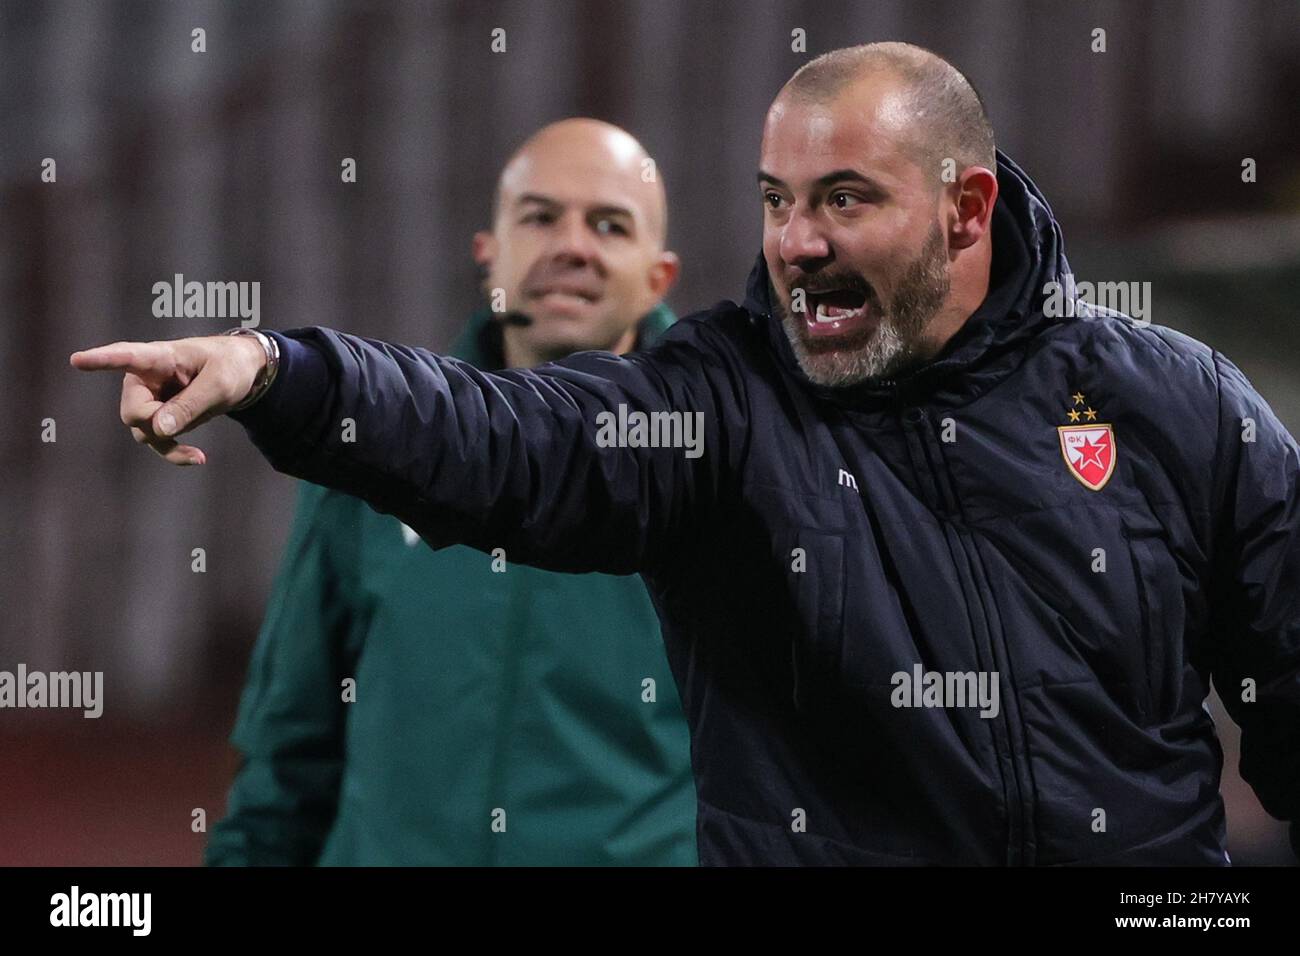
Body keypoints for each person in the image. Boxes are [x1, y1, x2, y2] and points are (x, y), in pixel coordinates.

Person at [73, 42, 1300, 866]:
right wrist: (280, 373)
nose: (795, 242)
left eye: (843, 199)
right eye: (775, 199)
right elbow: (513, 436)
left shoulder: (1180, 404)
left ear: (965, 209)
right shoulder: (722, 403)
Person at [200, 119, 695, 866]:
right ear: (487, 255)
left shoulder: (722, 463)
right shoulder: (372, 447)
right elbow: (289, 747)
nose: (572, 244)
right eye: (540, 216)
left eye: (609, 224)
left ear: (659, 275)